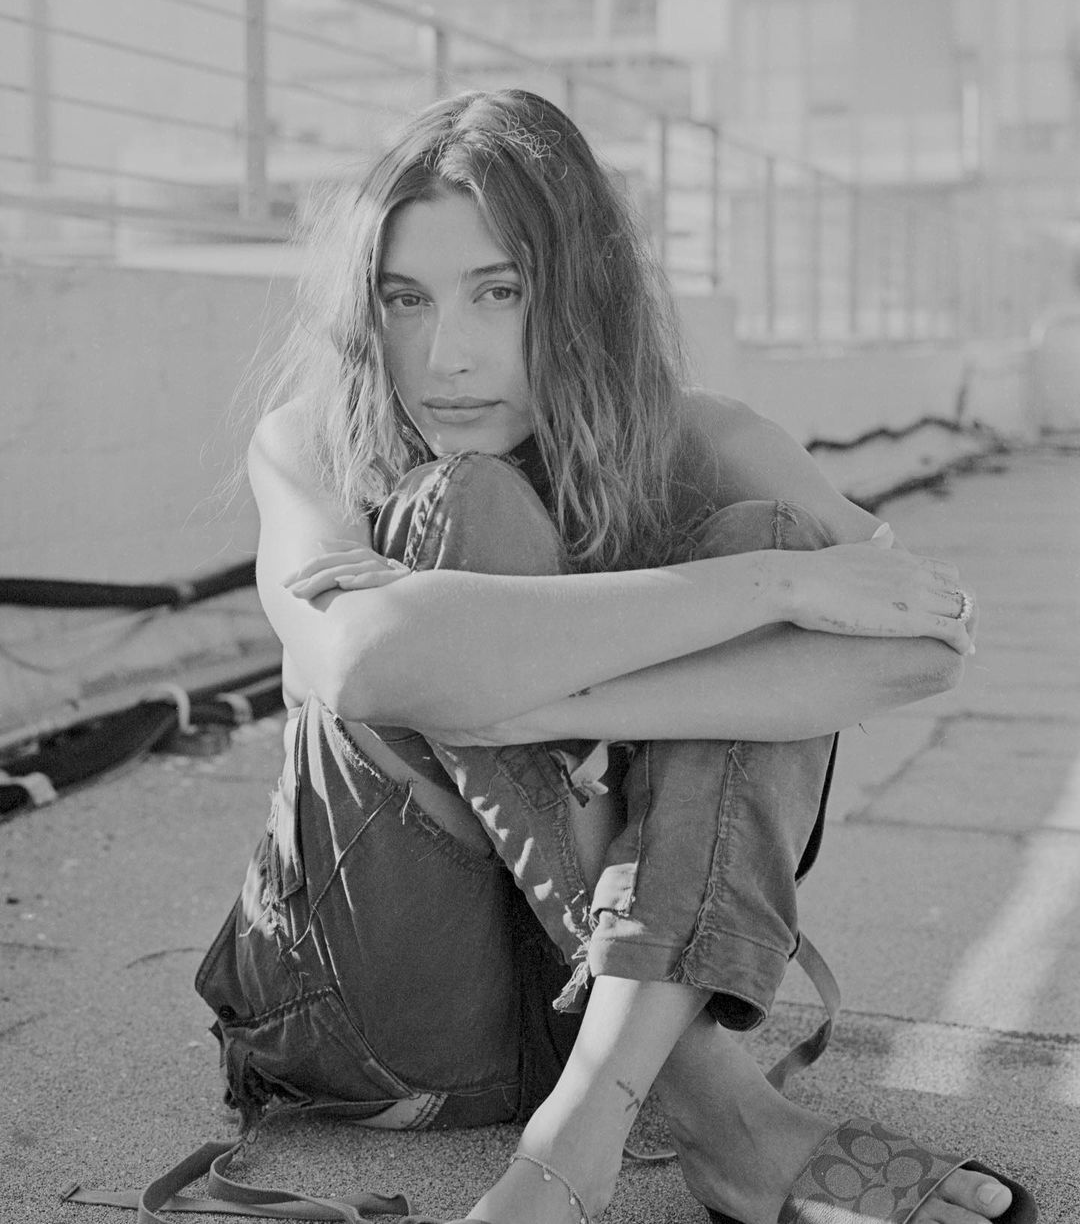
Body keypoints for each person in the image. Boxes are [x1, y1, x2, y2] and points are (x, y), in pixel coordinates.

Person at [212, 88, 1033, 1224]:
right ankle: (718, 1118)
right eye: (406, 300)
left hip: (590, 1015)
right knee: (475, 511)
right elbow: (365, 662)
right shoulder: (312, 442)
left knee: (769, 528)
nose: (448, 356)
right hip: (377, 1018)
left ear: (581, 291)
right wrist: (769, 592)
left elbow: (925, 642)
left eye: (500, 291)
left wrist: (558, 700)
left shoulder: (708, 439)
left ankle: (584, 1129)